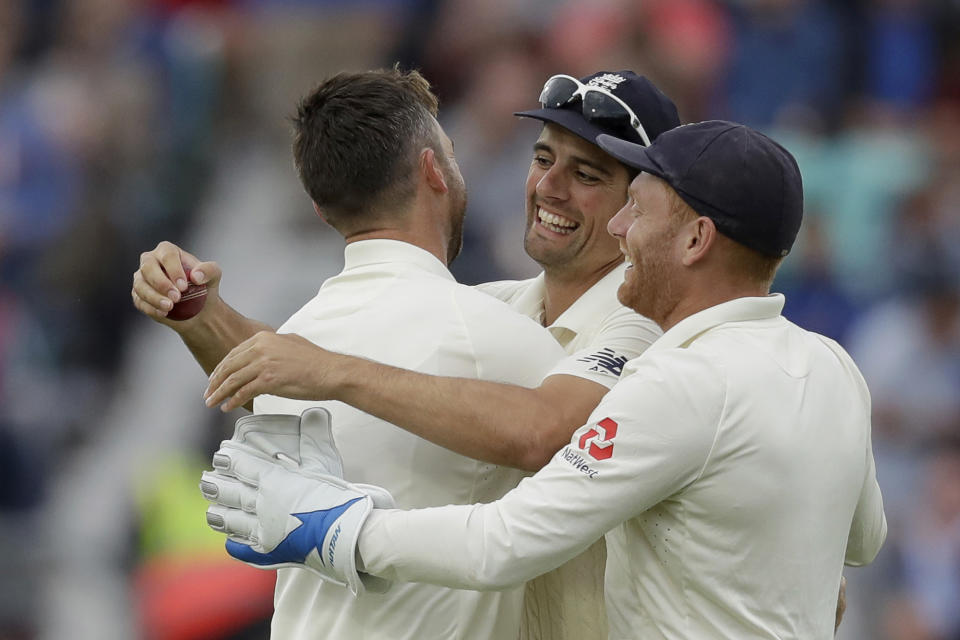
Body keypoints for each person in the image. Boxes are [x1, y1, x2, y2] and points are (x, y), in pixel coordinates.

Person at [204, 120, 887, 639]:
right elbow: (862, 541)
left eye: (637, 210)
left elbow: (503, 543)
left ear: (695, 240)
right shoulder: (835, 368)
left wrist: (332, 528)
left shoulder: (677, 384)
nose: (618, 229)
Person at [143, 70, 681, 640]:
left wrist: (333, 372)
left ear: (643, 204)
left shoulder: (652, 327)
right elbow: (284, 368)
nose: (549, 187)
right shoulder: (493, 315)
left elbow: (544, 429)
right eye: (543, 159)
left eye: (587, 174)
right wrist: (204, 315)